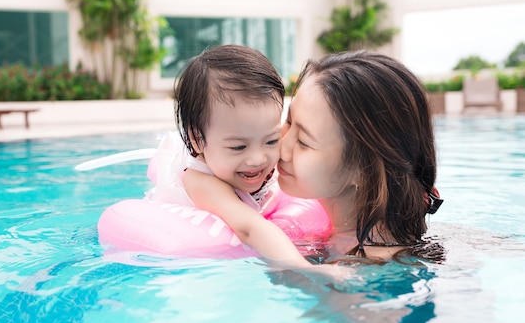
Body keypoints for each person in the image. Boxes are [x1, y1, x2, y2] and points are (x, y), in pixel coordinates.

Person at [189, 49, 444, 266]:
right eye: (288, 121)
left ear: (361, 170)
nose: (281, 147)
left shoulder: (364, 270)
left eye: (302, 142)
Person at [146, 44, 329, 266]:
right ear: (198, 139)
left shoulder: (246, 151)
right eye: (239, 147)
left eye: (271, 140)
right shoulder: (200, 181)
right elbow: (250, 228)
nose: (258, 158)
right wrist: (306, 268)